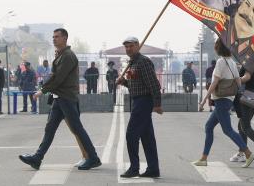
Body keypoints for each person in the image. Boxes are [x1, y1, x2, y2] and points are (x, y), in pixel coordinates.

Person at [19, 28, 101, 171]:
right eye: (53, 37)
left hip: (67, 98)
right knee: (50, 129)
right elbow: (55, 76)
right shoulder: (61, 55)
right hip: (59, 98)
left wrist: (42, 90)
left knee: (77, 129)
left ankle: (93, 158)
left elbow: (58, 77)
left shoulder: (68, 56)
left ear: (65, 38)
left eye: (57, 37)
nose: (54, 39)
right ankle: (37, 158)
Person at [196, 39, 254, 168]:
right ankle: (203, 158)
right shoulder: (232, 62)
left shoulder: (221, 62)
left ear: (218, 48)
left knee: (227, 130)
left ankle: (248, 153)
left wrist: (204, 100)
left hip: (221, 100)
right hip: (228, 99)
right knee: (209, 127)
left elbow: (214, 83)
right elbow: (238, 82)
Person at [116, 36, 163, 178]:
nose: (128, 49)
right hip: (137, 100)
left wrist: (157, 104)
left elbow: (154, 85)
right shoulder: (133, 63)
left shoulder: (143, 62)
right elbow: (137, 85)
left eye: (131, 46)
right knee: (147, 137)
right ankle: (153, 169)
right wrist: (124, 82)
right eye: (126, 47)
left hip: (143, 102)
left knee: (131, 135)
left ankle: (134, 168)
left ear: (138, 46)